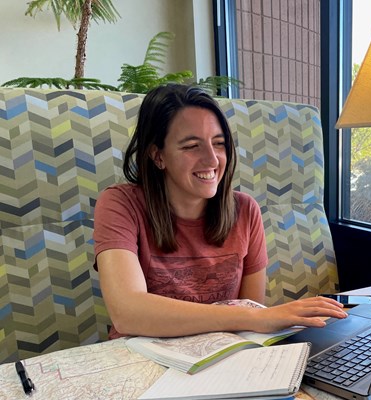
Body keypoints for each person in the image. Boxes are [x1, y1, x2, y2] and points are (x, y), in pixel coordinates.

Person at [94, 84, 347, 339]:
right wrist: (256, 317)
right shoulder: (119, 204)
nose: (213, 160)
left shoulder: (246, 210)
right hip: (142, 361)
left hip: (220, 360)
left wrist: (256, 319)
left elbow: (248, 321)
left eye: (219, 143)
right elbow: (127, 313)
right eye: (192, 146)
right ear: (158, 156)